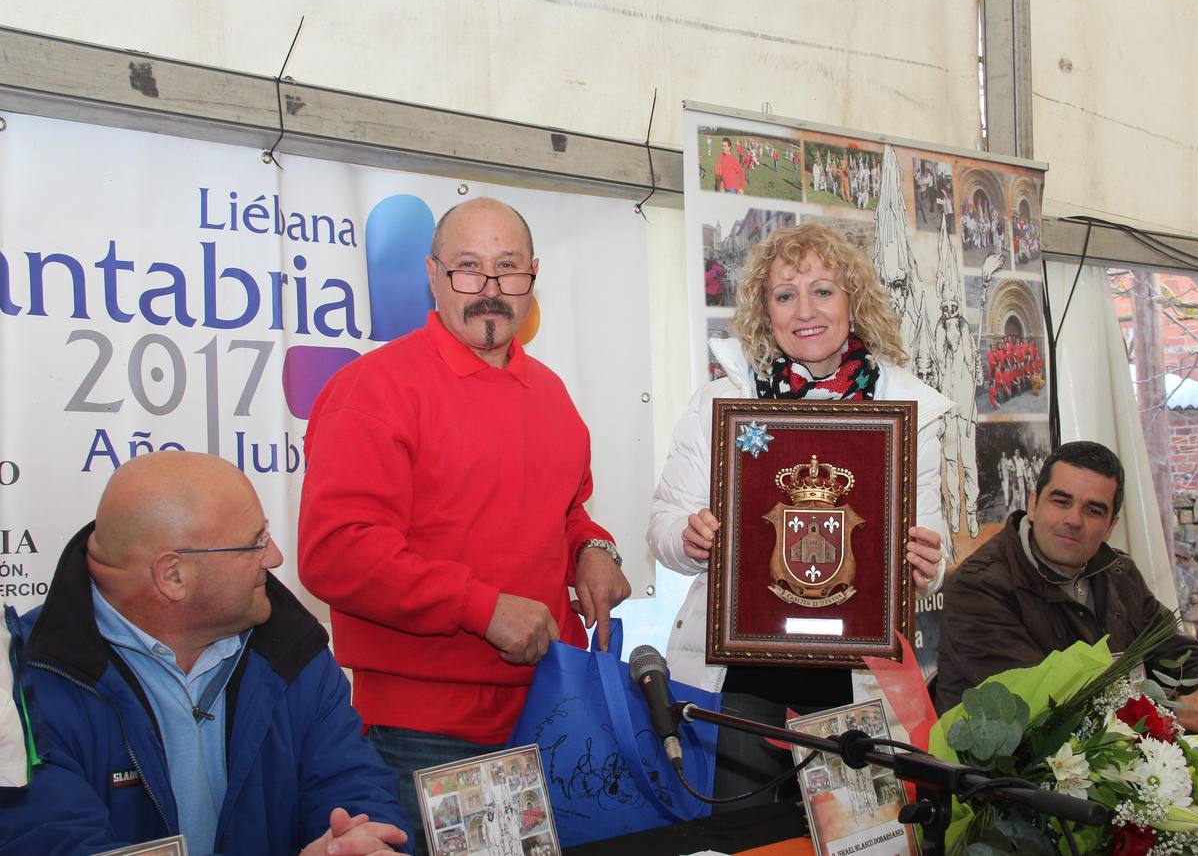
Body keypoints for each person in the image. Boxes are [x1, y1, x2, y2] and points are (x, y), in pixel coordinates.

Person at [298, 197, 630, 854]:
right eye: (468, 270)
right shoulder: (376, 387)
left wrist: (592, 548)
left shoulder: (552, 394)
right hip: (422, 735)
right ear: (432, 275)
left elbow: (568, 511)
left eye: (507, 270)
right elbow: (336, 553)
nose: (489, 291)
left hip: (549, 715)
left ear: (533, 275)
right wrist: (481, 608)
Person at [648, 223, 954, 809]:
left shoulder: (910, 411)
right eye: (785, 295)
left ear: (852, 302)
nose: (804, 310)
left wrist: (928, 561)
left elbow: (931, 550)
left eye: (823, 290)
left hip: (856, 680)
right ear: (766, 311)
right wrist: (688, 539)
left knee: (858, 843)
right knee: (745, 841)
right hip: (741, 681)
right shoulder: (723, 404)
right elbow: (663, 522)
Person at [0, 451, 410, 855]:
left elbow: (353, 785)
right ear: (174, 576)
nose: (275, 557)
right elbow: (49, 838)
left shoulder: (293, 650)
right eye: (256, 542)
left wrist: (357, 841)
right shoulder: (22, 683)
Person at [936, 441, 1198, 738]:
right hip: (1002, 789)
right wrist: (1181, 712)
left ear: (1111, 525)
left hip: (1114, 770)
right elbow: (1043, 712)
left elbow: (1178, 653)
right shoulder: (980, 585)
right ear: (1034, 503)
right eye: (1061, 501)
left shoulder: (1118, 572)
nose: (1073, 520)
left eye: (1093, 509)